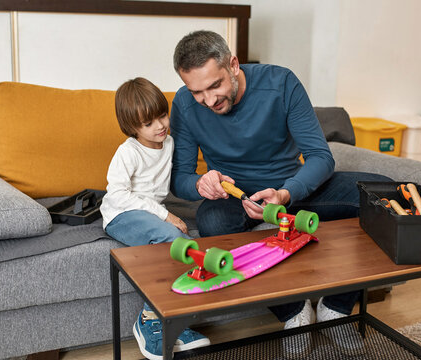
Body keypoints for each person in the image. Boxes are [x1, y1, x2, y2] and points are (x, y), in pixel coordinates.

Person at [169, 30, 390, 353]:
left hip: (291, 188)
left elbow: (320, 157)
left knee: (381, 196)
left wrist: (286, 194)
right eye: (197, 92)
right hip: (234, 198)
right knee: (213, 223)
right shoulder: (184, 104)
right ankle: (295, 312)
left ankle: (337, 308)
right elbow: (181, 179)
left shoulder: (281, 84)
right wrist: (201, 183)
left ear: (233, 64)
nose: (209, 100)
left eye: (215, 86)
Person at [100, 77, 210, 360]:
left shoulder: (170, 142)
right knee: (176, 241)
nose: (160, 125)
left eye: (162, 115)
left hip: (148, 213)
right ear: (132, 127)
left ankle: (174, 321)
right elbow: (118, 194)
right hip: (121, 214)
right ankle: (149, 319)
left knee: (189, 250)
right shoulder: (128, 152)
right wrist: (166, 215)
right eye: (149, 123)